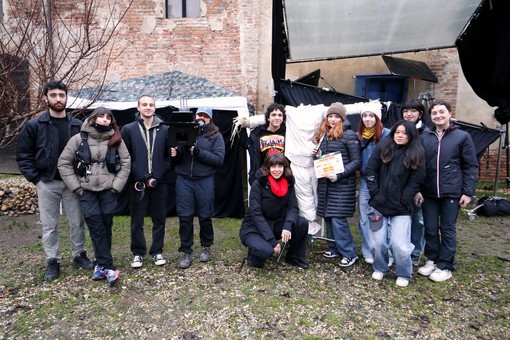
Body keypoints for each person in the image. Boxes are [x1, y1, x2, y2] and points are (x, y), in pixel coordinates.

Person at [16, 81, 93, 281]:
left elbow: (86, 152)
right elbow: (24, 155)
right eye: (54, 95)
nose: (58, 99)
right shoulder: (34, 125)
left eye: (62, 95)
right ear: (45, 98)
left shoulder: (77, 125)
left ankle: (79, 254)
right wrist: (36, 179)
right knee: (49, 225)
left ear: (67, 97)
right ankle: (53, 260)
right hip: (46, 181)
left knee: (77, 221)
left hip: (72, 183)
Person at [58, 107, 131, 286]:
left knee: (106, 226)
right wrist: (77, 188)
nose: (105, 120)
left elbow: (126, 162)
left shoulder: (116, 140)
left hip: (108, 190)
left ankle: (100, 265)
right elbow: (64, 163)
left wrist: (116, 186)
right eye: (101, 116)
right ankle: (109, 267)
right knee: (96, 227)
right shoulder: (79, 139)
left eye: (108, 117)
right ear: (93, 119)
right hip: (87, 191)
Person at [416, 100, 478, 282]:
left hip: (451, 192)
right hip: (428, 192)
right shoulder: (425, 137)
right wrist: (418, 189)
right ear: (431, 117)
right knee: (430, 228)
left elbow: (470, 166)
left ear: (449, 113)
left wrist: (468, 192)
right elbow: (419, 166)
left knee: (447, 228)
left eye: (441, 112)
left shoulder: (462, 136)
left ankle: (446, 265)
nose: (438, 116)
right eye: (434, 113)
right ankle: (433, 259)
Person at [365, 120, 425, 287]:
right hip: (378, 204)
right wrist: (375, 193)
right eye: (397, 132)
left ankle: (404, 273)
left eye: (404, 133)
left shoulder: (416, 153)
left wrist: (404, 198)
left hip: (401, 208)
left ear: (411, 136)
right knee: (377, 242)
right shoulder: (384, 147)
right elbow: (370, 170)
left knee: (399, 244)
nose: (400, 135)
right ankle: (380, 267)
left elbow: (416, 180)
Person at [121, 95, 172, 269]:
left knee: (159, 219)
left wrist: (158, 173)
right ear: (138, 107)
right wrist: (138, 173)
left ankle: (157, 252)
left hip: (159, 181)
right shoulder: (128, 129)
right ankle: (138, 253)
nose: (148, 107)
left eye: (151, 105)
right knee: (137, 220)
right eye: (144, 104)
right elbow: (125, 156)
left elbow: (169, 156)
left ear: (155, 108)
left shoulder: (165, 129)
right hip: (138, 182)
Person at [171, 107, 225, 269]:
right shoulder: (185, 131)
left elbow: (219, 160)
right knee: (185, 216)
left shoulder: (216, 136)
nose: (201, 118)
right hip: (184, 180)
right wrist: (175, 153)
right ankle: (186, 251)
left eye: (205, 116)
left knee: (205, 215)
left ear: (210, 119)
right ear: (195, 116)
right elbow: (178, 158)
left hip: (205, 180)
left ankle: (206, 247)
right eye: (199, 115)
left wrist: (198, 151)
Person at [239, 153, 309, 269]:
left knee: (301, 223)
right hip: (254, 227)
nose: (277, 170)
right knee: (266, 251)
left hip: (275, 223)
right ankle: (253, 256)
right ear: (268, 168)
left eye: (280, 167)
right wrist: (272, 241)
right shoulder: (259, 184)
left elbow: (293, 207)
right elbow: (256, 214)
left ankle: (293, 257)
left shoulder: (288, 183)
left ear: (284, 168)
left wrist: (287, 225)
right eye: (273, 167)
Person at [314, 102, 361, 267]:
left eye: (336, 117)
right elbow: (323, 160)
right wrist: (317, 155)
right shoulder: (324, 134)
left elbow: (356, 161)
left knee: (338, 221)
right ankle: (334, 249)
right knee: (328, 217)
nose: (333, 119)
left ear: (342, 118)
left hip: (341, 185)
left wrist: (338, 175)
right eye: (330, 116)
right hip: (326, 184)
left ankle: (349, 253)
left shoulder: (349, 135)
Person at [356, 102, 390, 264]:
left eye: (371, 115)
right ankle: (368, 251)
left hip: (382, 181)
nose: (368, 119)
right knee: (364, 217)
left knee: (381, 217)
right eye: (365, 115)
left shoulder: (387, 135)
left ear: (377, 118)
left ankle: (385, 251)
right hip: (364, 182)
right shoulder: (359, 136)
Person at [401, 99, 429, 266]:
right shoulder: (399, 130)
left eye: (413, 111)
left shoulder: (426, 134)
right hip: (400, 183)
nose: (409, 114)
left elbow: (425, 163)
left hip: (418, 184)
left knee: (418, 219)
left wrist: (418, 188)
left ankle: (415, 252)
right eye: (406, 110)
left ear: (420, 113)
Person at [247, 103, 286, 185]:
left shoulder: (288, 133)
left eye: (280, 115)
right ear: (268, 118)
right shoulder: (257, 133)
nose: (277, 118)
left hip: (281, 174)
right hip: (262, 175)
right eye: (274, 115)